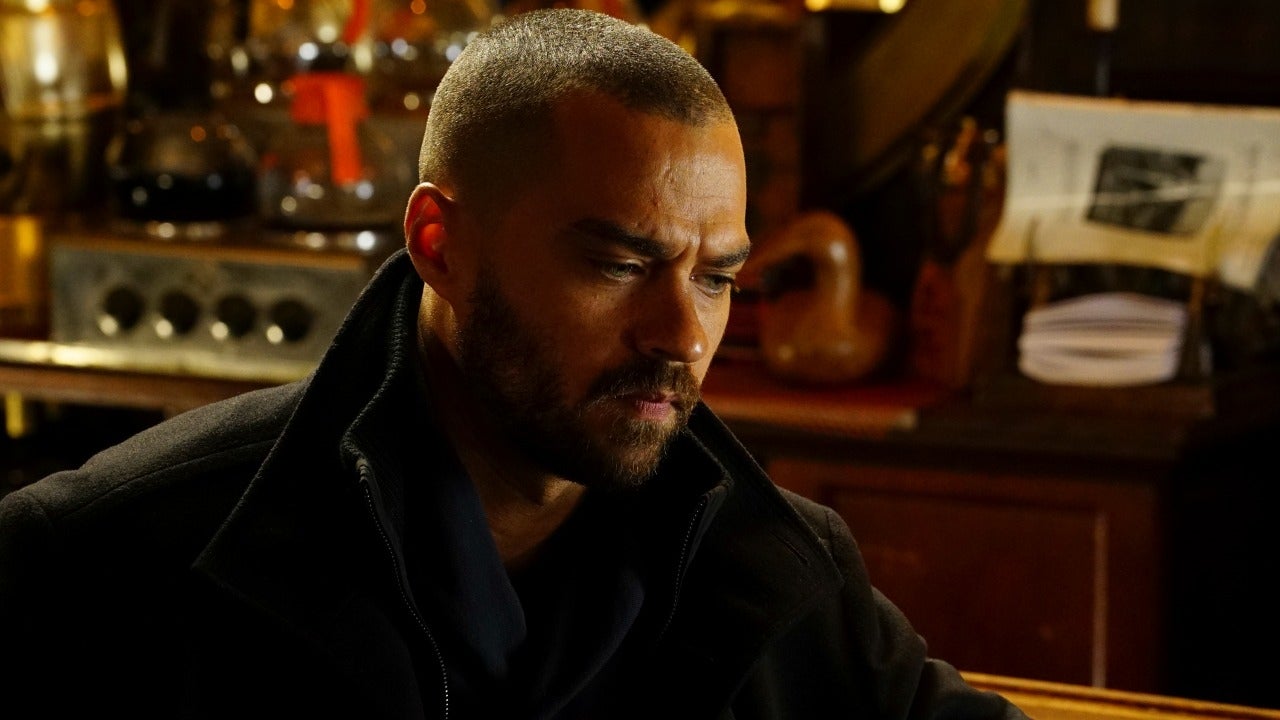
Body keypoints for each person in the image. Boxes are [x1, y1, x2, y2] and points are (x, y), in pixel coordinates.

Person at [0, 9, 1029, 719]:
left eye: (715, 277)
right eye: (618, 263)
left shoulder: (777, 571)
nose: (681, 335)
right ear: (440, 244)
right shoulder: (103, 564)